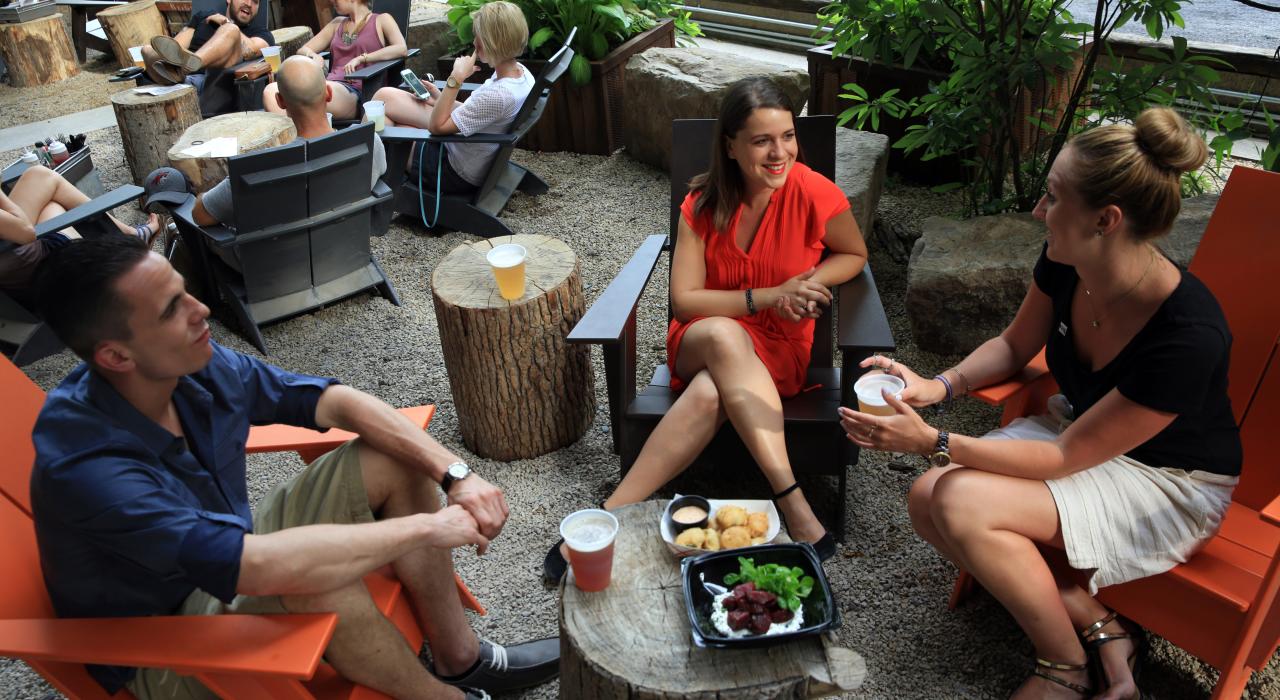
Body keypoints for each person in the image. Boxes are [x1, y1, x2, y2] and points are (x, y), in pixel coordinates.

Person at [29, 235, 559, 700]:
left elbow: (337, 402)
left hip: (231, 549)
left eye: (184, 289)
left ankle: (460, 659)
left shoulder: (191, 363)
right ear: (116, 357)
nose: (202, 311)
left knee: (395, 454)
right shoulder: (87, 466)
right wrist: (431, 526)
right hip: (163, 644)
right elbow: (259, 568)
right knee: (313, 579)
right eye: (172, 309)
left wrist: (457, 476)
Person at [838, 107, 1239, 699]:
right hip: (1083, 441)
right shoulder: (1067, 261)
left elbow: (1063, 458)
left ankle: (1063, 667)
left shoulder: (1187, 335)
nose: (1037, 212)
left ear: (1106, 219)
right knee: (928, 498)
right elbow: (1013, 345)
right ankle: (1100, 624)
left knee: (959, 498)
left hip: (1168, 479)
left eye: (1052, 198)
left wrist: (934, 441)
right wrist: (936, 387)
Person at [543, 77, 869, 584]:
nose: (779, 152)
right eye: (762, 140)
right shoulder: (702, 203)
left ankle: (606, 517)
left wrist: (811, 281)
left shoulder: (814, 192)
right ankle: (792, 500)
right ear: (731, 146)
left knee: (709, 393)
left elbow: (853, 254)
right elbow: (685, 300)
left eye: (787, 136)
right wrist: (771, 294)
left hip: (778, 352)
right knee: (721, 337)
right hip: (699, 338)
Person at [147, 56, 387, 229]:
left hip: (275, 272)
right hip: (343, 254)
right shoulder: (369, 142)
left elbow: (201, 216)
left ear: (280, 102)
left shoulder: (256, 168)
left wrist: (201, 195)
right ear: (329, 93)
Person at [372, 0, 533, 196]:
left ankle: (369, 179)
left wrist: (455, 79)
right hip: (463, 152)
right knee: (384, 100)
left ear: (494, 41)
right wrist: (440, 99)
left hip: (450, 171)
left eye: (478, 37)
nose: (474, 43)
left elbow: (437, 127)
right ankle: (376, 177)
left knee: (390, 125)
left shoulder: (499, 95)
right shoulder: (521, 75)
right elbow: (479, 114)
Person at [0, 165, 159, 297]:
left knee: (41, 181)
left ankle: (129, 234)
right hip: (27, 267)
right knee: (48, 185)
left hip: (11, 259)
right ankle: (129, 239)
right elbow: (26, 233)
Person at [265, 0, 407, 121]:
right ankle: (293, 143)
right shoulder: (337, 24)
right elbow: (303, 49)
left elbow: (401, 48)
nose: (331, 1)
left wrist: (363, 58)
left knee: (299, 94)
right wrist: (313, 55)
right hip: (329, 86)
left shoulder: (381, 20)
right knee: (271, 91)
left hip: (357, 92)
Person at [141, 0, 274, 89]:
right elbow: (176, 47)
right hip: (174, 77)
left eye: (256, 1)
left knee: (231, 29)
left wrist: (226, 22)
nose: (249, 4)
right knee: (147, 50)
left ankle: (190, 65)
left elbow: (250, 49)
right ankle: (180, 71)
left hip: (210, 83)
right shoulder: (203, 17)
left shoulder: (262, 34)